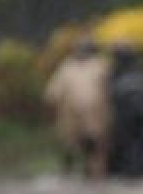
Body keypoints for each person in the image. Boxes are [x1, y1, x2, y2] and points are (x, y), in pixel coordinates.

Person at [44, 37, 112, 178]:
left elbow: (51, 95)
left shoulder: (98, 65)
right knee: (84, 146)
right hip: (83, 117)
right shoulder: (97, 65)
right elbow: (52, 94)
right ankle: (79, 171)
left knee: (87, 146)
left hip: (89, 116)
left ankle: (82, 171)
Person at [107, 42, 143, 179]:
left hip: (129, 108)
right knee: (141, 138)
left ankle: (131, 169)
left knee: (129, 139)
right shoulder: (139, 67)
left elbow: (113, 92)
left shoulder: (117, 71)